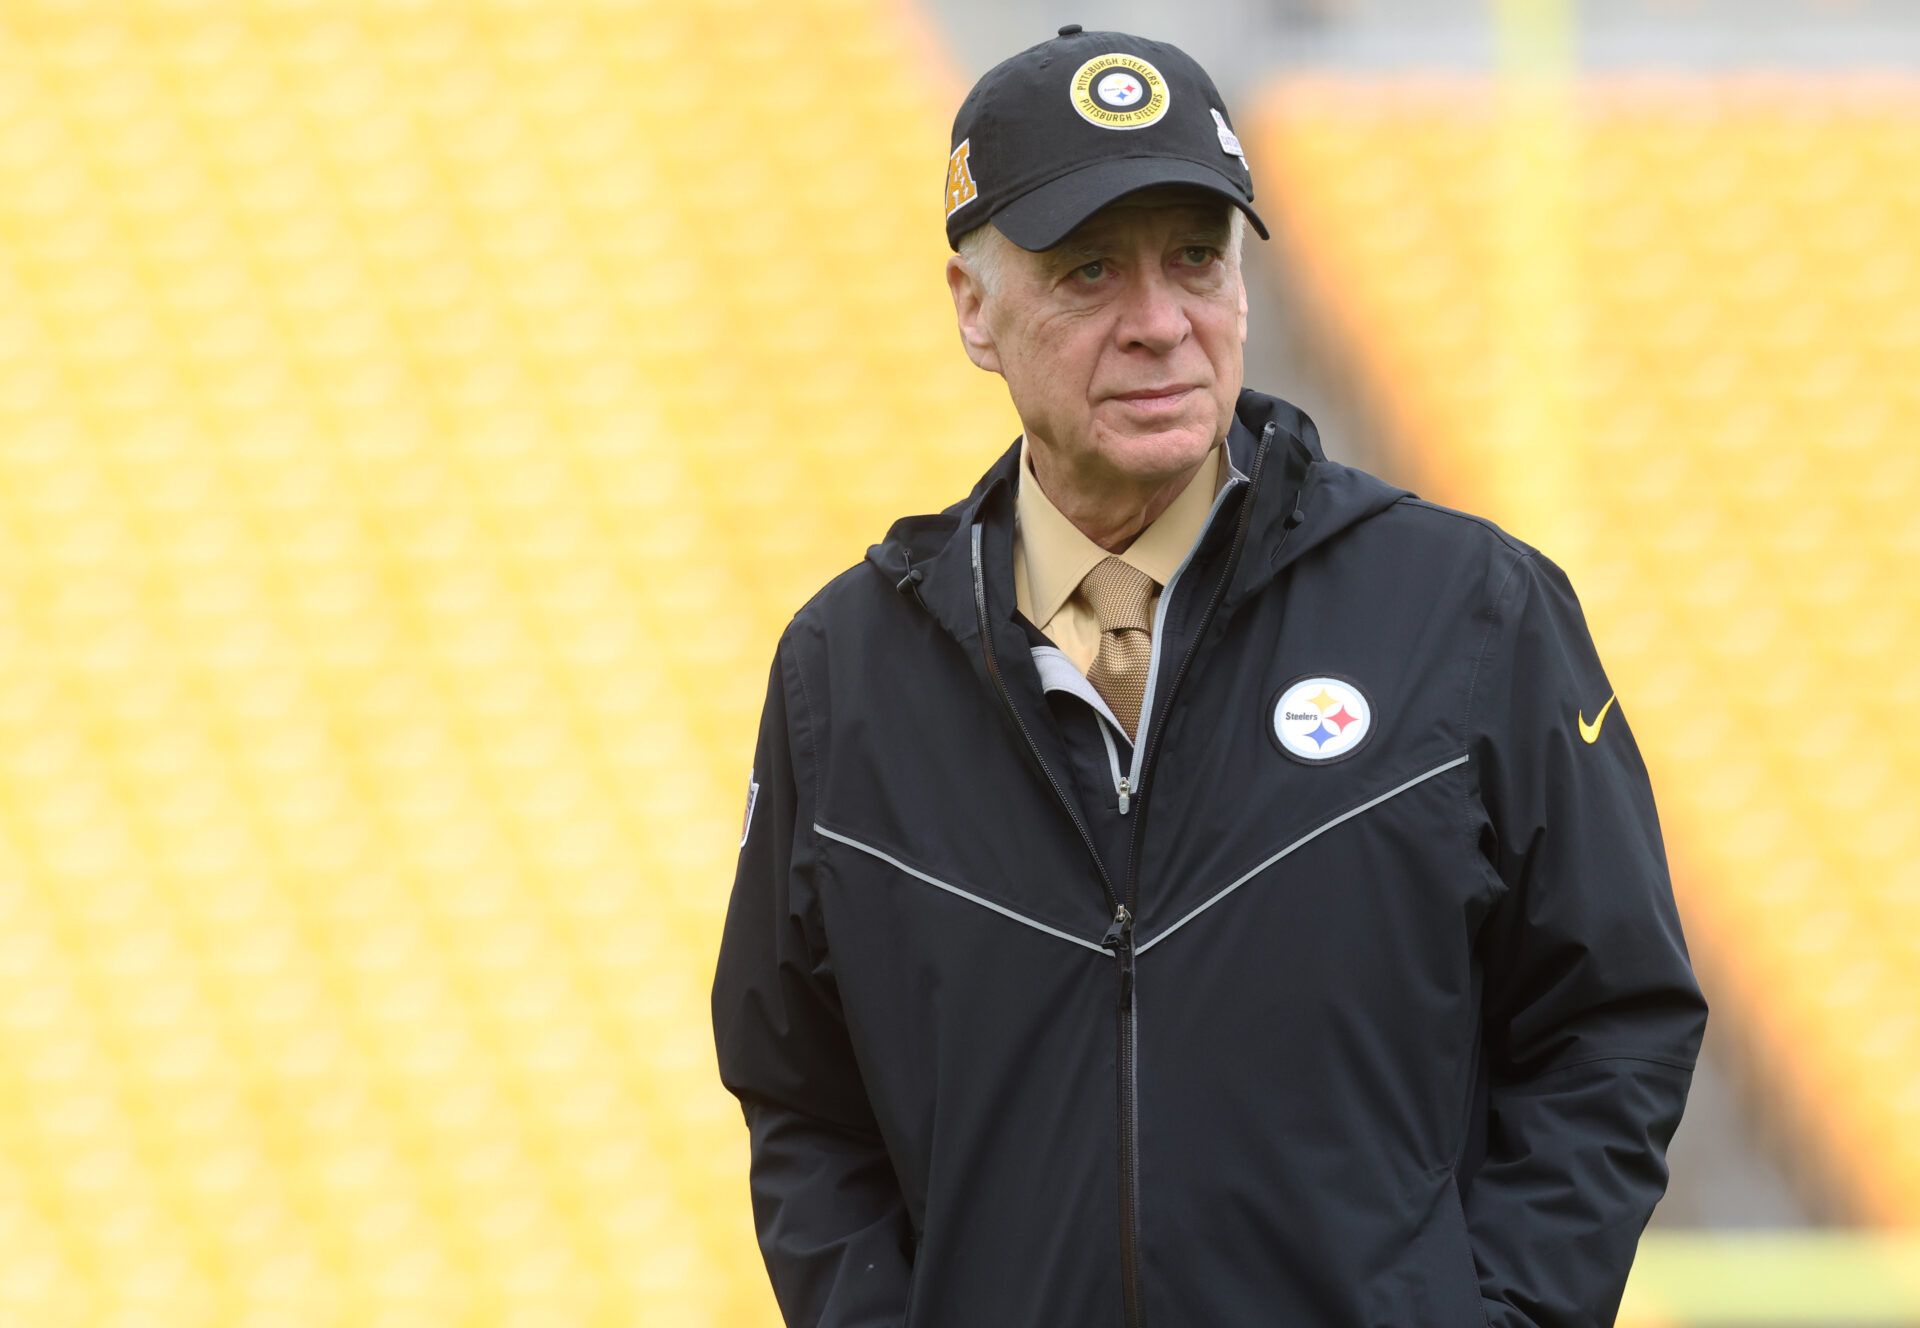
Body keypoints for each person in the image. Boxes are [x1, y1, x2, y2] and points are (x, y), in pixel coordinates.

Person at [711, 25, 1707, 1328]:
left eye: (1197, 257)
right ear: (973, 307)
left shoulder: (1467, 612)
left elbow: (1614, 1020)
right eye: (1088, 271)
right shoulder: (845, 674)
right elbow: (800, 1094)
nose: (1160, 323)